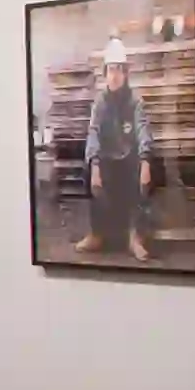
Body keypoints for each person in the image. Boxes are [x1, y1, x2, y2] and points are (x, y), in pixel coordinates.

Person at [84, 37, 155, 262]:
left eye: (119, 70)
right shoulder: (100, 103)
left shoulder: (135, 102)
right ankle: (97, 234)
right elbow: (93, 132)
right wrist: (94, 165)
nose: (114, 75)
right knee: (89, 170)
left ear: (125, 74)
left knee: (143, 176)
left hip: (129, 160)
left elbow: (143, 129)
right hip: (107, 161)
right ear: (105, 74)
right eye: (111, 70)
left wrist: (145, 161)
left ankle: (135, 237)